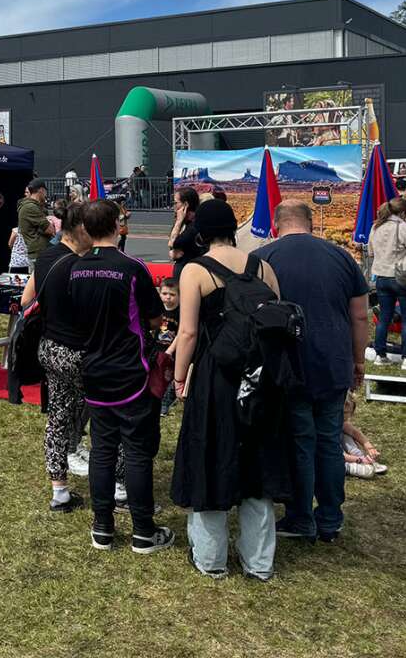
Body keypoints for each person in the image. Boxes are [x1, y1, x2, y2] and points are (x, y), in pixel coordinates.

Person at [171, 199, 287, 578]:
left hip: (215, 376)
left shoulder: (195, 271)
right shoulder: (264, 268)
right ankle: (259, 563)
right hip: (260, 377)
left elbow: (187, 331)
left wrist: (178, 376)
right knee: (257, 464)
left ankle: (210, 559)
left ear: (201, 234)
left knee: (209, 457)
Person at [255, 199, 368, 544]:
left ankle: (301, 516)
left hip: (291, 364)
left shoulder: (266, 258)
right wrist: (358, 360)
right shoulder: (342, 257)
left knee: (300, 441)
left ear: (276, 224)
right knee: (330, 441)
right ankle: (331, 517)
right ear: (311, 223)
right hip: (334, 361)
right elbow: (360, 315)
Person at [64, 200, 174, 556]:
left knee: (102, 450)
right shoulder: (132, 268)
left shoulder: (75, 268)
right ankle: (143, 531)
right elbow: (156, 318)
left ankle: (103, 528)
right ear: (115, 224)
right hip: (131, 373)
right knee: (138, 452)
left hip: (93, 370)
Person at [23, 200, 91, 512]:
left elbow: (27, 298)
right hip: (77, 349)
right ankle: (116, 487)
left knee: (58, 416)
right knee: (102, 409)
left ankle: (59, 491)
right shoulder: (80, 265)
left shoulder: (47, 255)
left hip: (49, 347)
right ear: (79, 230)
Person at [367, 197, 406, 371]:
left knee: (384, 317)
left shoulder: (376, 226)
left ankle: (380, 355)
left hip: (381, 277)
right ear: (402, 213)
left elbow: (370, 252)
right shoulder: (404, 227)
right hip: (401, 277)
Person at [341, 393, 386, 478]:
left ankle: (363, 459)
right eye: (343, 412)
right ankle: (349, 467)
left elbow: (354, 432)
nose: (344, 416)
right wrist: (360, 460)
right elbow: (335, 453)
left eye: (347, 413)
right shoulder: (327, 424)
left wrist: (369, 447)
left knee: (347, 435)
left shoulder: (340, 421)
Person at [157, 277, 181, 416]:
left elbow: (181, 334)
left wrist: (170, 350)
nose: (168, 297)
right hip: (157, 348)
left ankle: (166, 401)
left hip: (173, 350)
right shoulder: (158, 309)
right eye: (165, 293)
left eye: (172, 294)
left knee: (169, 377)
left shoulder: (180, 312)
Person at [17, 179, 55, 263]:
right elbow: (50, 230)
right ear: (41, 190)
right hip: (39, 253)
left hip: (39, 252)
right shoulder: (31, 207)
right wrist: (50, 223)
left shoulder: (35, 206)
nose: (46, 194)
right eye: (45, 191)